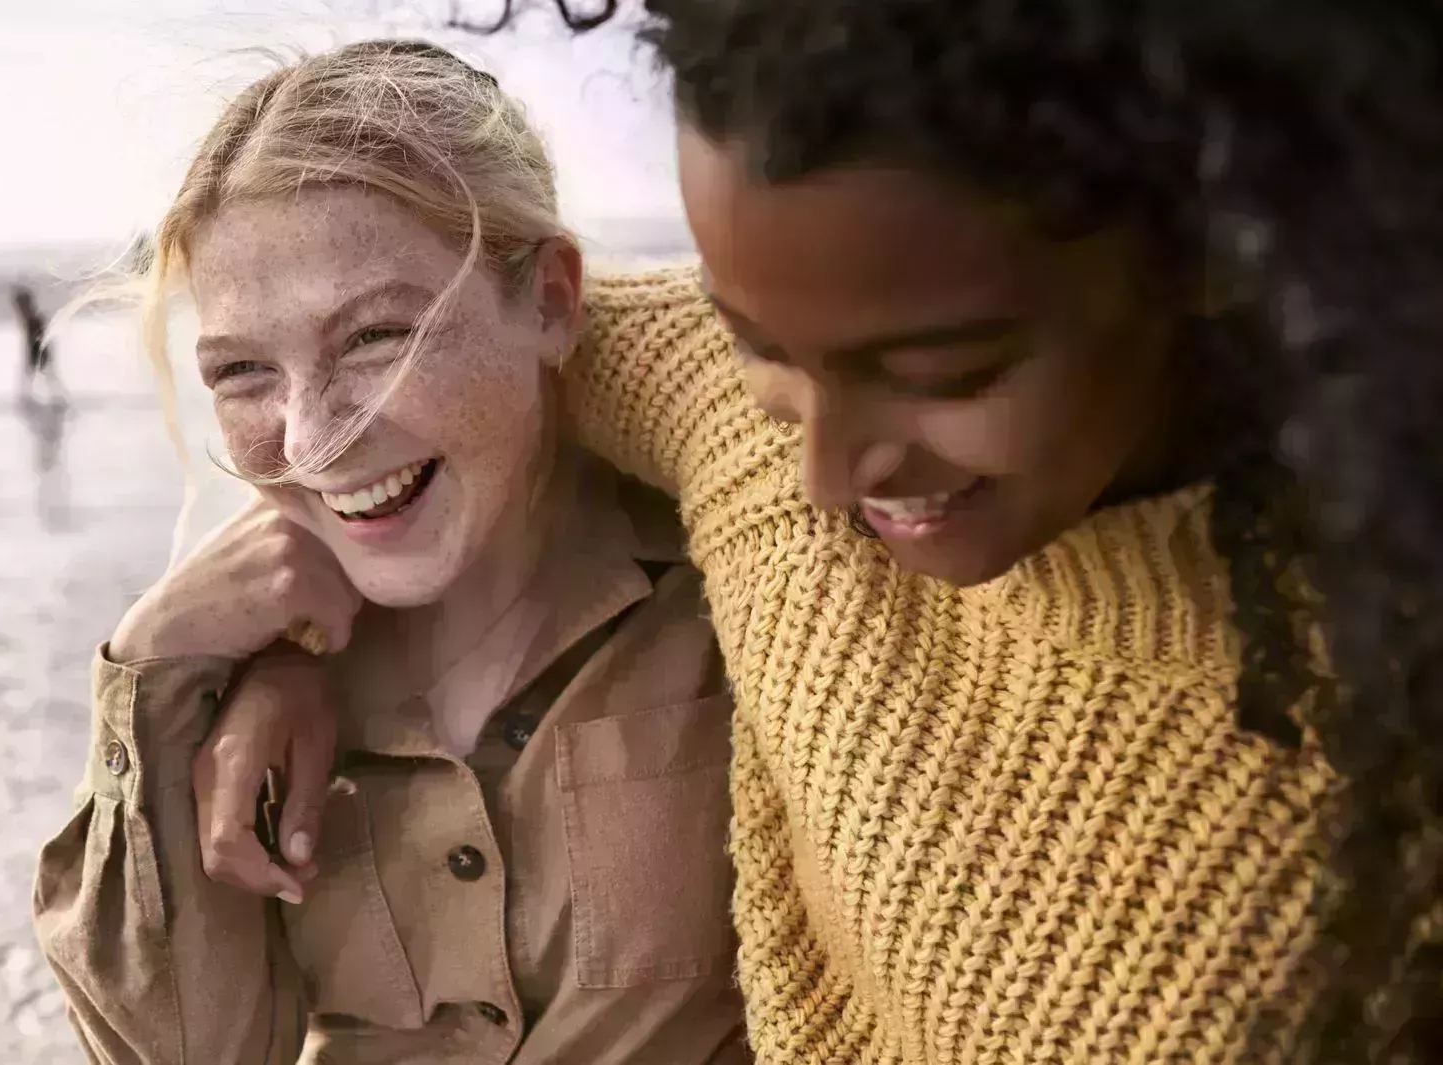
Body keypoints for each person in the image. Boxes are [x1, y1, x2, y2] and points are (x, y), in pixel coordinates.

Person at [187, 2, 1443, 1062]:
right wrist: (303, 634)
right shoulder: (734, 422)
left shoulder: (1377, 724)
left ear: (1217, 254)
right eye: (759, 350)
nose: (825, 473)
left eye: (941, 372)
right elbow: (431, 382)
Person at [32, 41, 749, 1064]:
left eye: (374, 338)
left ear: (549, 300)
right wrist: (154, 662)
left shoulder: (736, 591)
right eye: (241, 371)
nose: (308, 437)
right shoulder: (220, 688)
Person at [11, 282, 61, 399]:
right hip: (36, 353)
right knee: (42, 377)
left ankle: (55, 397)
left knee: (47, 377)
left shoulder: (34, 320)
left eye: (20, 306)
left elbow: (41, 341)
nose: (18, 310)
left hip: (39, 353)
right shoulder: (30, 319)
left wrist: (37, 358)